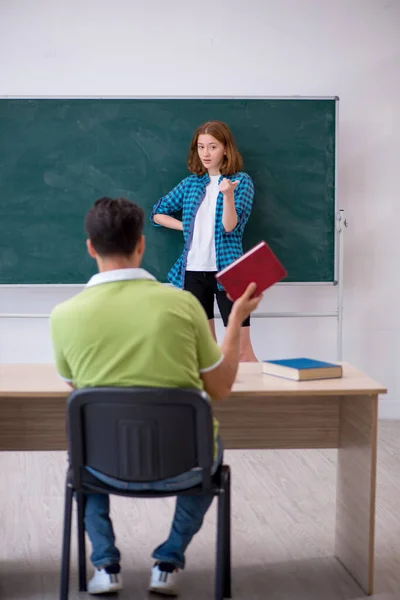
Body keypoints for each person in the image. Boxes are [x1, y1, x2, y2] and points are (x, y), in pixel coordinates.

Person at [50, 197, 262, 596]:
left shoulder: (64, 314)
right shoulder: (181, 305)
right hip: (186, 465)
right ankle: (168, 560)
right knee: (209, 465)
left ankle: (105, 564)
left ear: (91, 247)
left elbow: (79, 393)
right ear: (142, 244)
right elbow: (219, 389)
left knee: (80, 457)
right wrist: (234, 322)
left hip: (102, 466)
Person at [151, 120, 258, 362]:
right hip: (193, 272)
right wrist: (186, 226)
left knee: (242, 352)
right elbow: (158, 212)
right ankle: (215, 398)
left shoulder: (241, 182)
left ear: (225, 150)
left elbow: (229, 226)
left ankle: (262, 399)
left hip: (230, 271)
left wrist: (228, 195)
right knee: (206, 352)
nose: (206, 153)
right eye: (201, 147)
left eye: (212, 147)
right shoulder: (191, 184)